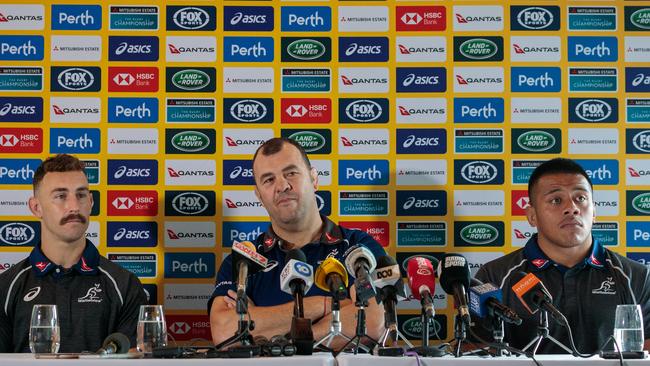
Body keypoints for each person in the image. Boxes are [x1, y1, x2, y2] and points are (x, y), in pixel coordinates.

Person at [209, 137, 386, 348]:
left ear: (314, 179)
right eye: (268, 180)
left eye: (291, 173)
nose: (282, 186)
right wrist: (327, 304)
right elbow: (225, 331)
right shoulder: (242, 262)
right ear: (259, 195)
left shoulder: (357, 247)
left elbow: (374, 323)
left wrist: (277, 338)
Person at [475, 158, 650, 353]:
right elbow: (474, 351)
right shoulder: (494, 276)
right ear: (532, 216)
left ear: (594, 212)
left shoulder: (637, 277)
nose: (572, 208)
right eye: (556, 200)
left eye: (581, 198)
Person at [0, 154, 147, 353]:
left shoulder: (125, 285)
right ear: (36, 207)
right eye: (61, 196)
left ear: (91, 202)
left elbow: (135, 361)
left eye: (81, 195)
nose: (74, 206)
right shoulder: (6, 288)